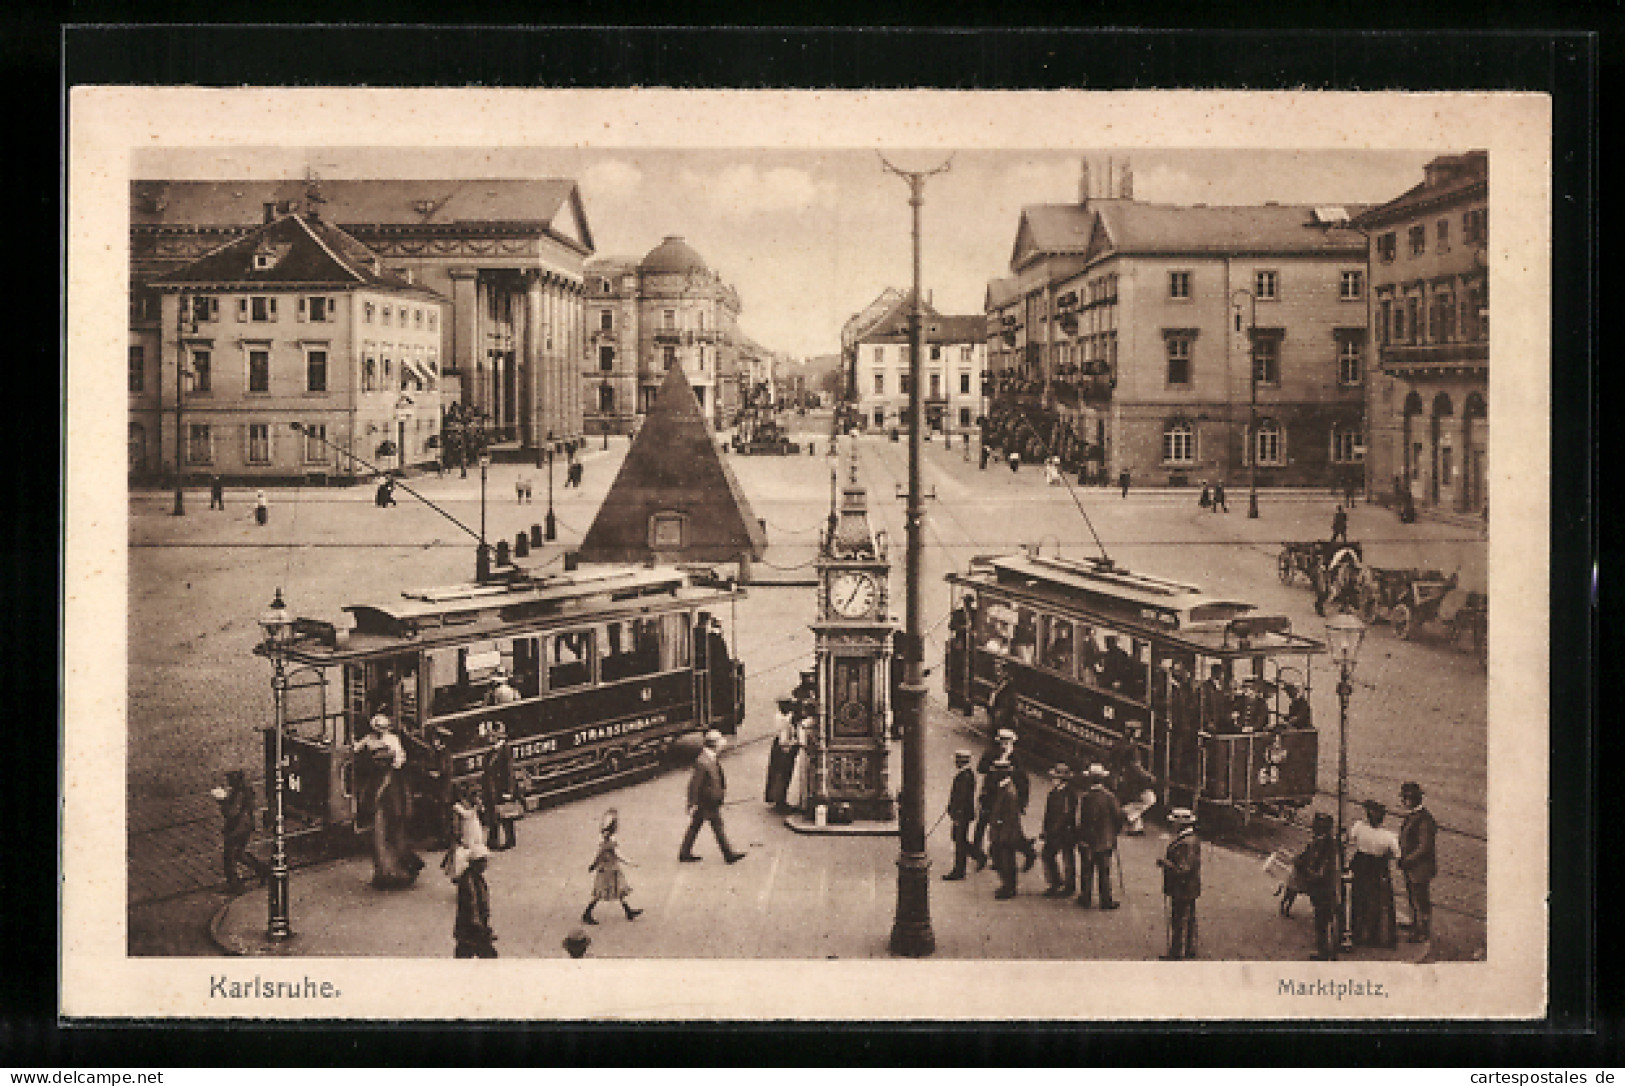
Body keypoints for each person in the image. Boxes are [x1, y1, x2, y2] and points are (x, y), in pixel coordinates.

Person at [352, 708, 423, 889]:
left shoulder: (392, 740)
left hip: (390, 787)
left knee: (392, 831)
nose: (380, 732)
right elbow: (356, 748)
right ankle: (384, 873)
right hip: (378, 786)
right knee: (379, 835)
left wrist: (391, 761)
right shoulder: (369, 739)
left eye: (382, 729)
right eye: (378, 729)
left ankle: (396, 872)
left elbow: (400, 758)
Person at [679, 730, 744, 863]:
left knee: (696, 825)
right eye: (720, 742)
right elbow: (694, 784)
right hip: (707, 801)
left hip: (708, 800)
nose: (722, 745)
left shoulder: (709, 757)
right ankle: (728, 854)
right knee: (717, 826)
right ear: (714, 744)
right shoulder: (703, 762)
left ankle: (684, 852)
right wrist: (691, 803)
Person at [1347, 799, 1400, 948]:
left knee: (1358, 900)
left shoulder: (1359, 827)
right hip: (1378, 869)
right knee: (1378, 902)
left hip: (1360, 866)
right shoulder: (1388, 836)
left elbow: (1350, 838)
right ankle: (1375, 936)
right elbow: (1397, 854)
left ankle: (1356, 932)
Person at [1074, 764, 1123, 910]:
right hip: (1105, 840)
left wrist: (1080, 837)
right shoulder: (1110, 797)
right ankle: (1106, 900)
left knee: (1086, 870)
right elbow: (1118, 817)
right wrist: (1114, 833)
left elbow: (1080, 820)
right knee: (1104, 871)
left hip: (1088, 840)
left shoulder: (1085, 797)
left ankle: (1086, 897)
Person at [1295, 812, 1342, 960]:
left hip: (1324, 888)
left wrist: (1305, 869)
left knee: (1324, 920)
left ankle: (1326, 952)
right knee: (1322, 919)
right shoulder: (1322, 842)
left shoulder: (1327, 845)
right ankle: (1327, 951)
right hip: (1321, 888)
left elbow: (1322, 869)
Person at [583, 809, 643, 924]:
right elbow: (615, 854)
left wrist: (594, 865)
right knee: (602, 892)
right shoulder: (609, 840)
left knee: (618, 889)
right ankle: (587, 913)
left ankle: (628, 911)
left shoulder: (604, 837)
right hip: (608, 869)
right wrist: (630, 863)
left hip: (609, 867)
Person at [1157, 807, 1202, 959]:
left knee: (1178, 921)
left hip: (1182, 888)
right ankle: (1190, 949)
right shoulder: (1191, 839)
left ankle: (1176, 954)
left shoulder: (1185, 843)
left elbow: (1183, 868)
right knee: (1188, 919)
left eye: (1173, 823)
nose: (1171, 825)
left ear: (1180, 824)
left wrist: (1165, 863)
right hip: (1190, 887)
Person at [213, 770, 268, 891]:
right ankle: (263, 870)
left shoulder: (239, 793)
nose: (228, 782)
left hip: (238, 828)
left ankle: (235, 885)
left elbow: (232, 812)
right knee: (239, 854)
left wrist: (222, 801)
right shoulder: (244, 791)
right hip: (244, 826)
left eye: (230, 779)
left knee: (229, 857)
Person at [1398, 782, 1438, 943]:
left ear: (1412, 799)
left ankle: (1422, 931)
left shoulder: (1424, 820)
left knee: (1420, 899)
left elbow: (1424, 847)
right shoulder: (1416, 816)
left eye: (1405, 798)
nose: (1403, 802)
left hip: (1419, 867)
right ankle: (1417, 925)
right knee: (1413, 897)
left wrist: (1407, 860)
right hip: (1413, 867)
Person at [451, 841, 497, 958]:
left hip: (472, 926)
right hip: (472, 927)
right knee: (486, 955)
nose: (486, 865)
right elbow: (472, 903)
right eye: (483, 861)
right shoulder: (470, 881)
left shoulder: (475, 878)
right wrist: (480, 926)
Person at [988, 759, 1025, 900]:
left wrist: (1002, 835)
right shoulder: (1004, 787)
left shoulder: (1009, 792)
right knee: (1003, 859)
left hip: (1006, 833)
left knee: (1007, 861)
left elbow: (1010, 817)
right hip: (1002, 832)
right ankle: (1007, 885)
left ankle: (1009, 887)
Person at [943, 750, 983, 880]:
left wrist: (957, 815)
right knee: (958, 838)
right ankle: (977, 854)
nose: (955, 762)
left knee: (959, 841)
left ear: (963, 761)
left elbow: (962, 798)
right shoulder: (965, 774)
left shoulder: (965, 776)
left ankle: (959, 870)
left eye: (958, 759)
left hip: (962, 815)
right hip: (962, 814)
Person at [1111, 723, 1158, 835]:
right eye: (1138, 730)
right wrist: (1148, 776)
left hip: (1120, 778)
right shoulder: (1132, 748)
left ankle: (1135, 828)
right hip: (1132, 780)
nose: (1140, 732)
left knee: (1135, 801)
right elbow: (1135, 767)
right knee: (1149, 799)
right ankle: (1125, 814)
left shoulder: (1119, 744)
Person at [1039, 763, 1078, 897]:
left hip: (1065, 832)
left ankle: (1069, 886)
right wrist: (1045, 829)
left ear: (1062, 780)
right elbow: (1048, 814)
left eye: (1055, 777)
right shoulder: (1053, 793)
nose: (1052, 780)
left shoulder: (1069, 794)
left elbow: (1066, 815)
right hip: (1054, 831)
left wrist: (1053, 830)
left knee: (1067, 859)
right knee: (1047, 855)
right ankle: (1055, 882)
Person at [481, 720, 519, 851]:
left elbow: (509, 772)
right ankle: (493, 840)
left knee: (505, 815)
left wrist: (509, 790)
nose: (490, 738)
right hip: (492, 789)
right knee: (493, 814)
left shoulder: (504, 750)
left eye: (492, 735)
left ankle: (510, 839)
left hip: (501, 788)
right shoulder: (491, 752)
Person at [765, 698, 797, 812]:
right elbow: (784, 739)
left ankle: (777, 798)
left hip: (778, 747)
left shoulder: (779, 717)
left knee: (777, 773)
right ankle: (780, 800)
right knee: (782, 774)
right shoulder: (785, 720)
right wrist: (793, 743)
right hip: (783, 748)